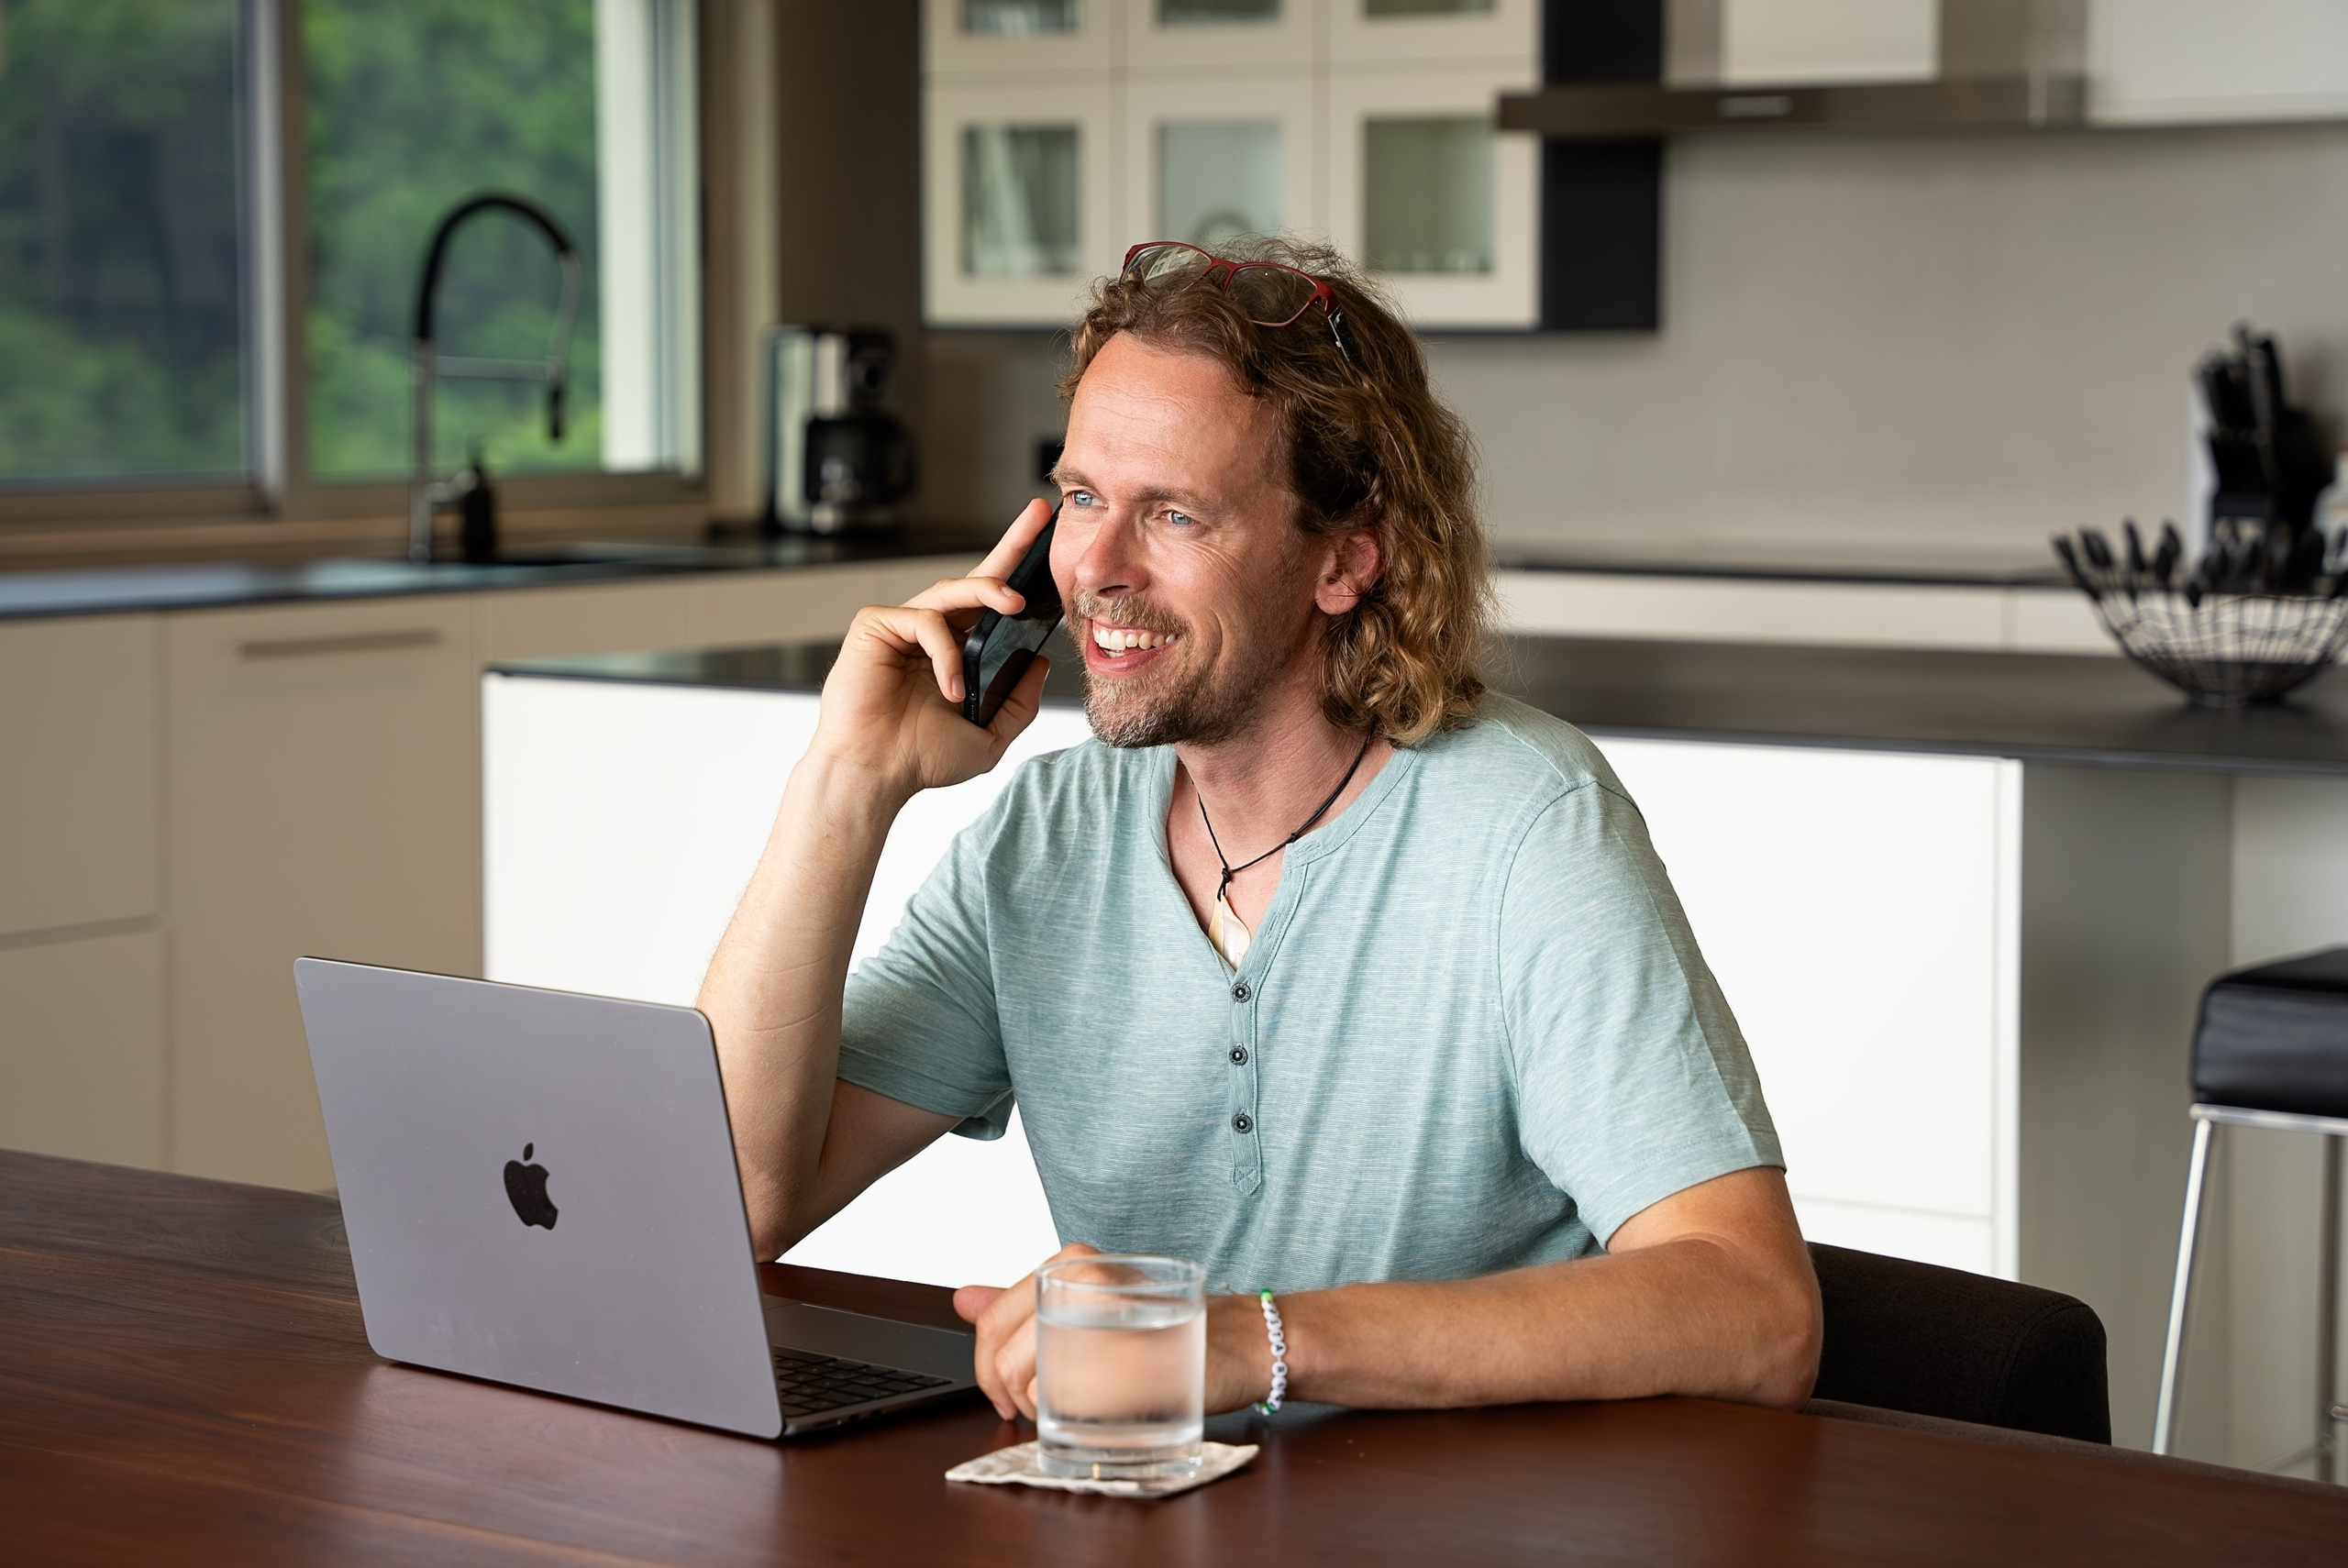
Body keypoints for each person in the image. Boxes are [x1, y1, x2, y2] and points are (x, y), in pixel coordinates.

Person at [698, 238, 1822, 1424]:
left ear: (1344, 558)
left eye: (1174, 513)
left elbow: (1757, 1310)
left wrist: (1263, 1337)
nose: (1096, 571)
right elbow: (734, 1199)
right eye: (1081, 498)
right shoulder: (1047, 835)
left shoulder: (1522, 828)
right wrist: (845, 783)